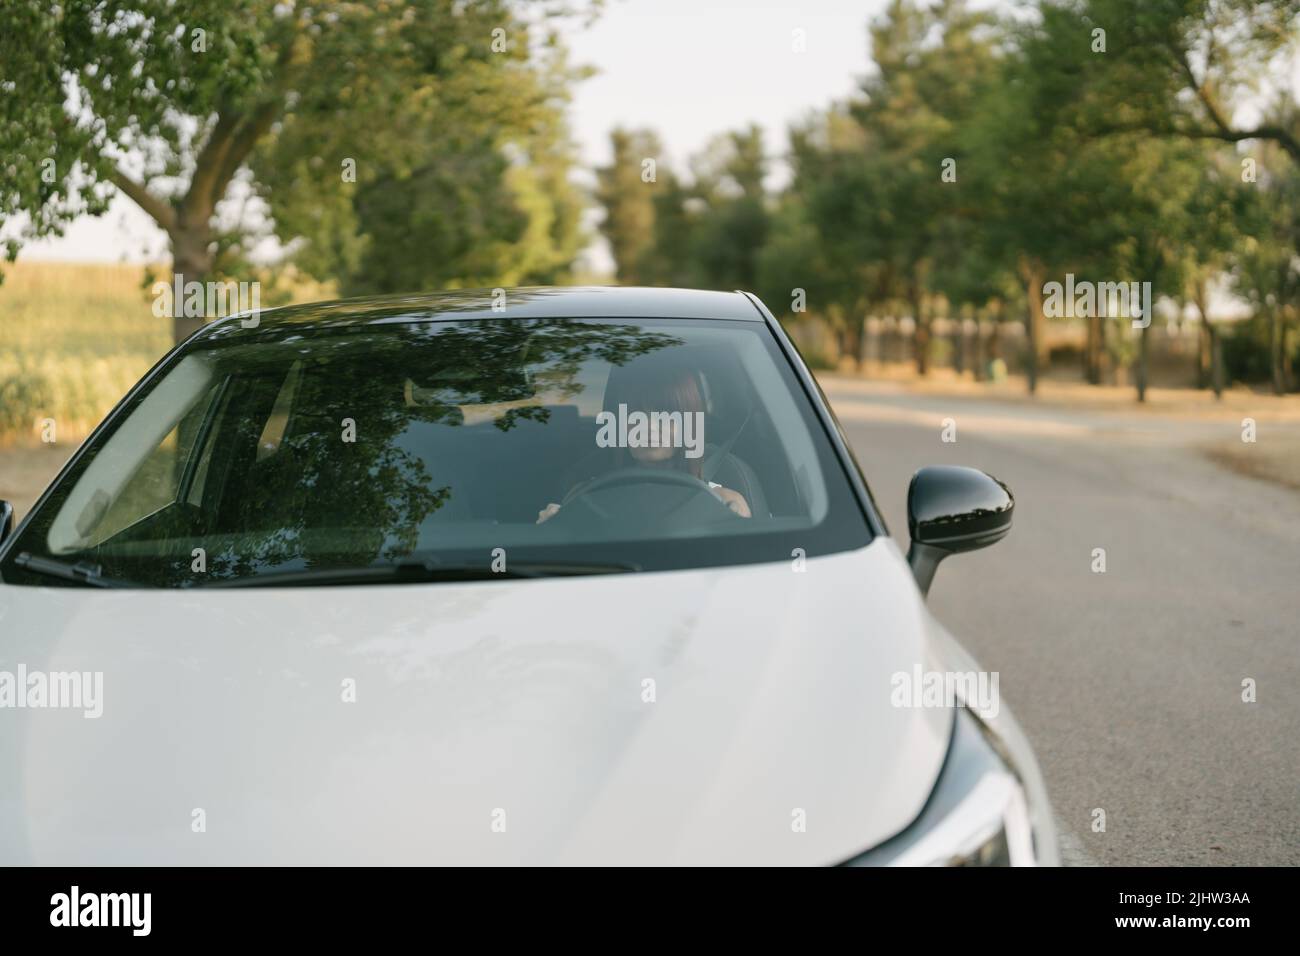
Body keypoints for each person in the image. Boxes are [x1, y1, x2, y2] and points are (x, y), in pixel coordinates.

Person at [537, 365, 751, 523]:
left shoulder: (726, 503)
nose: (648, 426)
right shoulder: (582, 497)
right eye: (635, 414)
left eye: (666, 414)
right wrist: (552, 527)